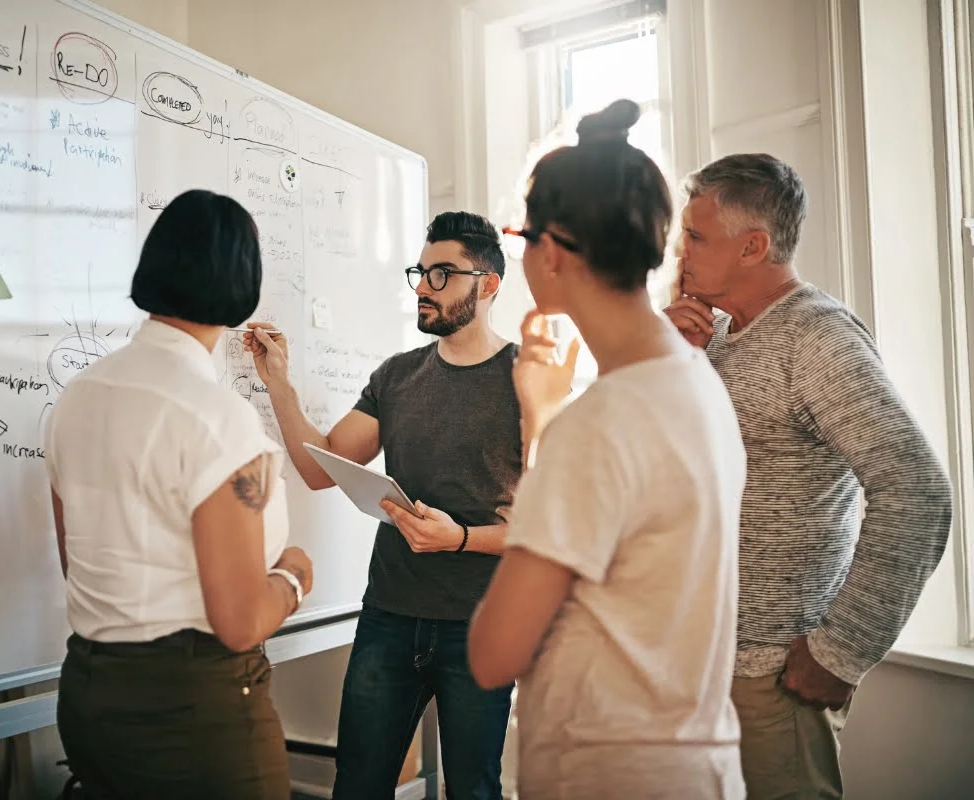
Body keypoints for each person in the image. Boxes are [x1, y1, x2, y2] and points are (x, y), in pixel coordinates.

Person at [467, 99, 748, 798]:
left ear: (553, 251)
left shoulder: (600, 424)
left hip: (609, 770)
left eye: (519, 237)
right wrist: (544, 414)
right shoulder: (697, 383)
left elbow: (494, 654)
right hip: (697, 763)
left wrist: (546, 425)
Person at [665, 152, 953, 798]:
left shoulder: (816, 337)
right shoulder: (708, 339)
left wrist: (841, 649)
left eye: (696, 237)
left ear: (754, 246)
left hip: (771, 679)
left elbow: (917, 492)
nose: (679, 251)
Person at [44, 189, 313, 799]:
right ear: (243, 285)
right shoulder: (220, 419)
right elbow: (241, 622)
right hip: (194, 714)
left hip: (88, 697)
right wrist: (296, 575)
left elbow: (74, 562)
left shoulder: (76, 398)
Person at [244, 211, 519, 799]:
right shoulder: (396, 377)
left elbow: (553, 526)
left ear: (488, 284)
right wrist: (280, 386)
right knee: (358, 786)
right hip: (389, 618)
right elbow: (323, 468)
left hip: (481, 625)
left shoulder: (529, 379)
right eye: (421, 272)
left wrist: (463, 539)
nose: (423, 286)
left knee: (473, 790)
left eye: (442, 274)